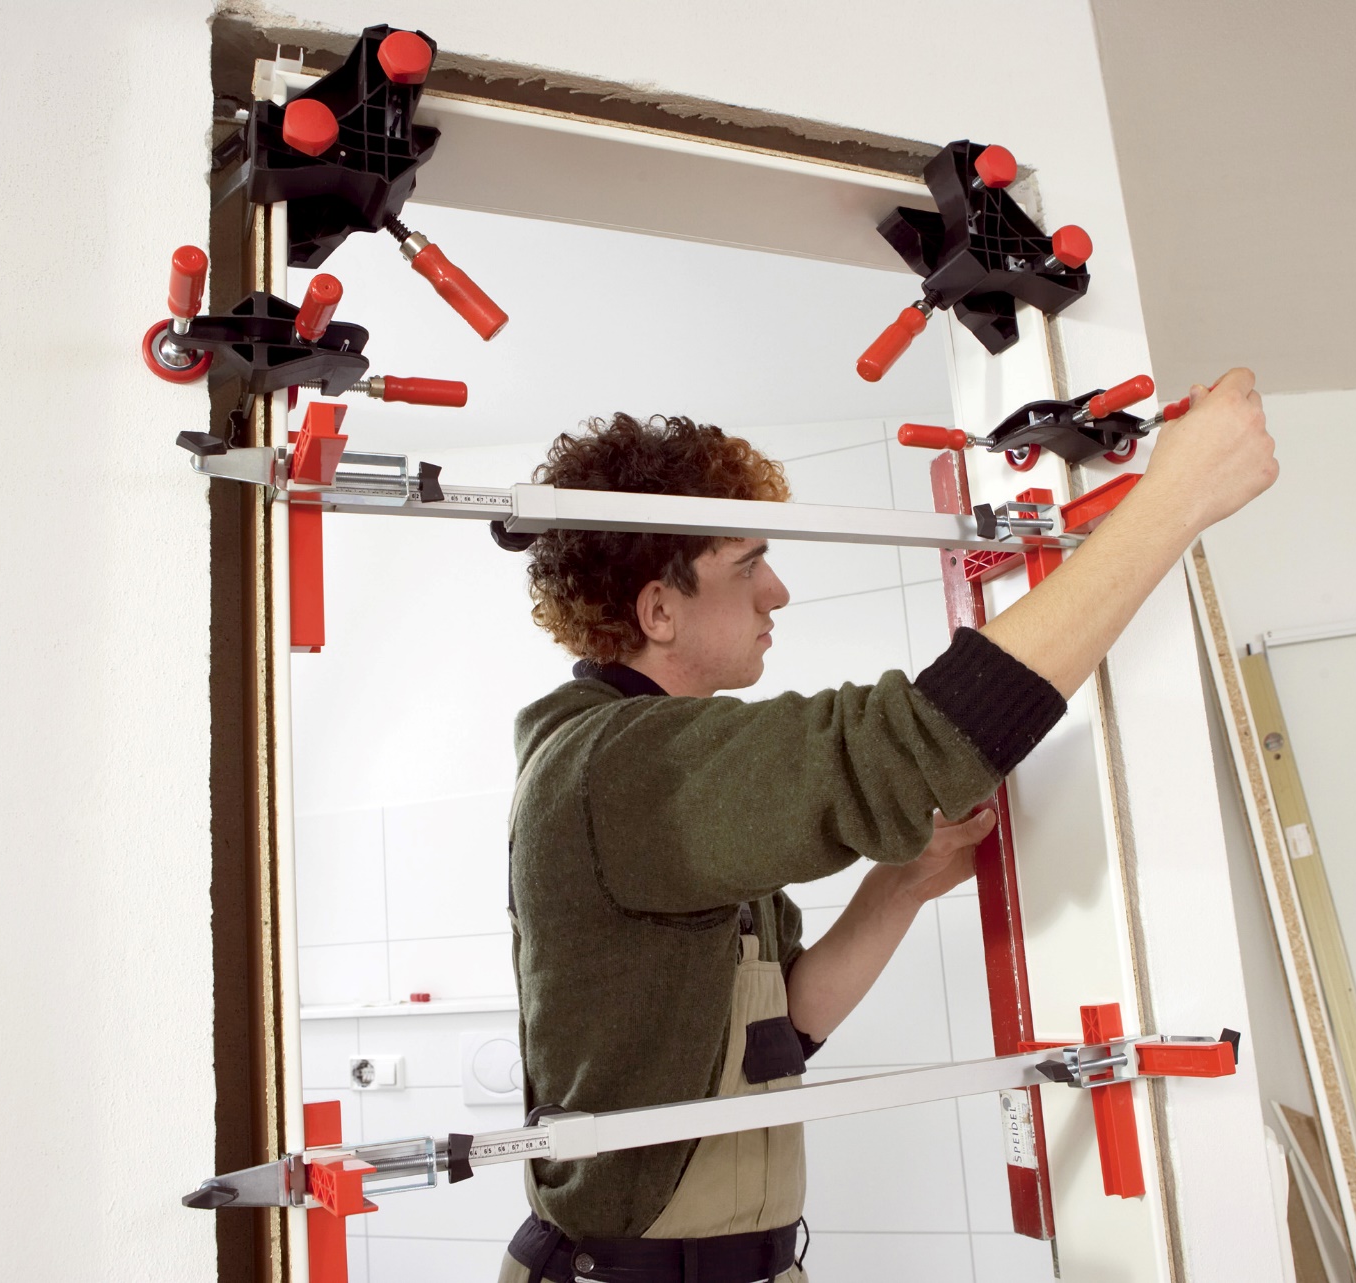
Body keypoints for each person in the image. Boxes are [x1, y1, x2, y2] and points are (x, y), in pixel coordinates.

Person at [498, 372, 1276, 1283]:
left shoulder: (658, 768)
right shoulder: (620, 767)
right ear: (659, 610)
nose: (777, 593)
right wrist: (1174, 501)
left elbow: (780, 1032)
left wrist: (904, 880)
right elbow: (905, 746)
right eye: (748, 566)